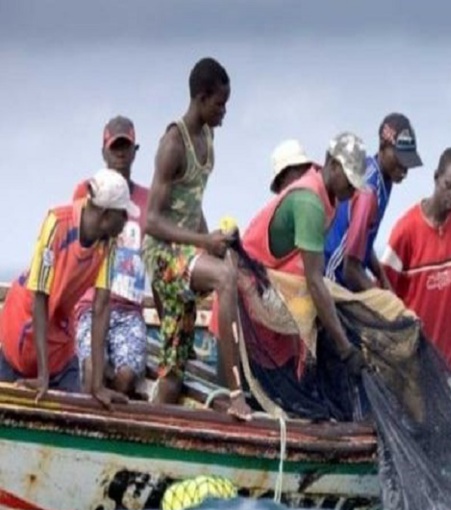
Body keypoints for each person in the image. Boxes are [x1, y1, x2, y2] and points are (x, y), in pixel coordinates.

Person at [142, 57, 251, 419]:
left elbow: (192, 202)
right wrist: (204, 244)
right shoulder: (174, 143)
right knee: (224, 277)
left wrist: (210, 241)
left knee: (172, 376)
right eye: (220, 104)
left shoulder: (208, 134)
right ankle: (237, 392)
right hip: (161, 256)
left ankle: (150, 441)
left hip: (186, 255)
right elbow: (151, 222)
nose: (224, 113)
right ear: (202, 98)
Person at [210, 132, 368, 380]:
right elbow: (315, 281)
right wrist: (345, 349)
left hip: (274, 308)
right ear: (333, 165)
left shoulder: (330, 198)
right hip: (243, 303)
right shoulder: (309, 203)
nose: (353, 189)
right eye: (350, 180)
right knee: (232, 397)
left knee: (273, 402)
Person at [0, 169, 138, 407]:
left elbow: (101, 306)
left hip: (61, 335)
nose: (126, 220)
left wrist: (98, 385)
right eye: (122, 214)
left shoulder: (109, 241)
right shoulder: (57, 223)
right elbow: (39, 297)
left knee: (70, 406)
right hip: (25, 326)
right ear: (106, 214)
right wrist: (43, 376)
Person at [381, 147, 451, 403]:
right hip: (412, 360)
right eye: (449, 186)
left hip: (449, 360)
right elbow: (382, 294)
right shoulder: (406, 231)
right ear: (436, 179)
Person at [72, 116, 149, 400]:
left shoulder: (148, 200)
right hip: (91, 305)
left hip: (129, 311)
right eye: (114, 147)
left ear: (134, 151)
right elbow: (72, 252)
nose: (120, 154)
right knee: (95, 370)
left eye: (125, 147)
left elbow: (158, 258)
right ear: (103, 151)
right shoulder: (86, 193)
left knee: (126, 379)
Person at [324, 113, 422, 291]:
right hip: (332, 278)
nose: (404, 170)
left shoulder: (384, 177)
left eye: (408, 163)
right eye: (400, 160)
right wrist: (381, 297)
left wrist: (381, 276)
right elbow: (350, 269)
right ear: (383, 147)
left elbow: (364, 241)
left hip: (345, 273)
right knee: (391, 314)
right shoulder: (368, 193)